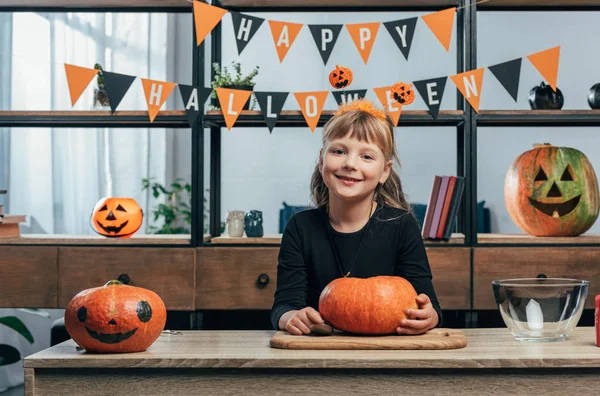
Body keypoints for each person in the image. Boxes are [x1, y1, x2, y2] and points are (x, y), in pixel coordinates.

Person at [271, 98, 442, 336]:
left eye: (367, 157)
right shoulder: (300, 227)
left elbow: (430, 305)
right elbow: (284, 305)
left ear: (384, 171)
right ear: (322, 160)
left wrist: (428, 316)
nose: (350, 163)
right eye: (339, 151)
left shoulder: (402, 225)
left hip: (389, 354)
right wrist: (290, 317)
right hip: (318, 354)